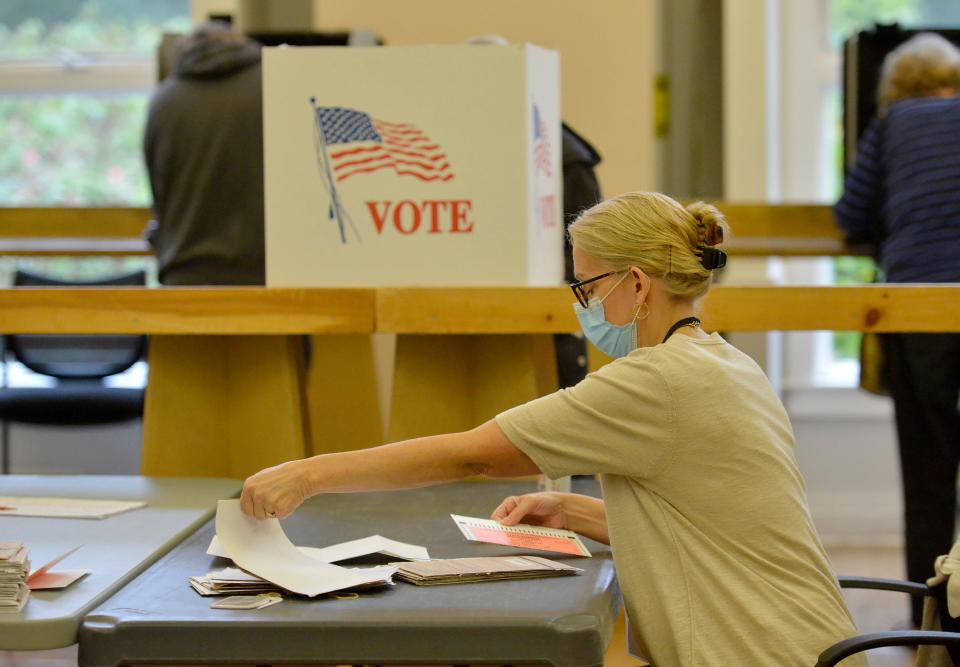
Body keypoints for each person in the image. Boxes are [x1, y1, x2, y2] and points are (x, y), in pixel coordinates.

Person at [242, 191, 865, 666]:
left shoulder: (654, 381)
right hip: (811, 637)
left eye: (587, 284)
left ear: (638, 284)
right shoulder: (726, 361)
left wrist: (306, 473)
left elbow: (472, 457)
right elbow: (714, 518)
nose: (583, 304)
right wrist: (575, 511)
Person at [835, 32, 960, 627]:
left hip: (921, 305)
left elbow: (851, 217)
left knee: (929, 470)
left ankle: (934, 625)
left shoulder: (893, 123)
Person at [143, 21, 265, 285]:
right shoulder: (271, 88)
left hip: (186, 277)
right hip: (265, 279)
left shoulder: (164, 101)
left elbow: (159, 195)